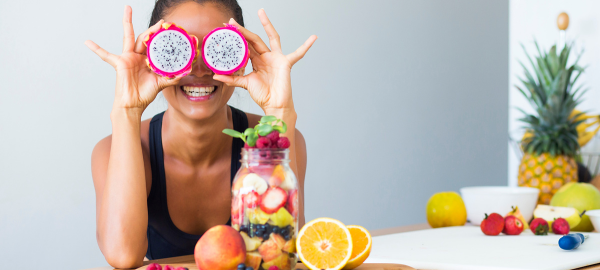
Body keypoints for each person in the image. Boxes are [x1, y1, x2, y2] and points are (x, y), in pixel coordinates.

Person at [85, 0, 316, 267]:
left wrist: (280, 111)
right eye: (175, 49)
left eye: (220, 49)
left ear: (243, 58)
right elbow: (122, 256)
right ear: (151, 60)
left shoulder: (278, 140)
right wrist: (127, 110)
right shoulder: (113, 150)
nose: (200, 69)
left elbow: (280, 253)